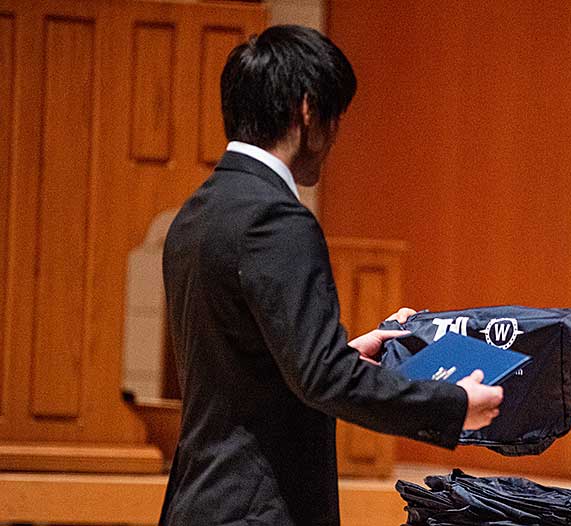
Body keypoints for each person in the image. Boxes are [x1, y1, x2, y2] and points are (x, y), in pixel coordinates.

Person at [159, 25, 503, 526]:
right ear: (306, 110)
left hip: (199, 499)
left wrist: (338, 352)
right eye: (336, 117)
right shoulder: (276, 219)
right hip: (258, 509)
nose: (335, 136)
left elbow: (242, 360)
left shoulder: (195, 213)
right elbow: (323, 379)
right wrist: (453, 405)